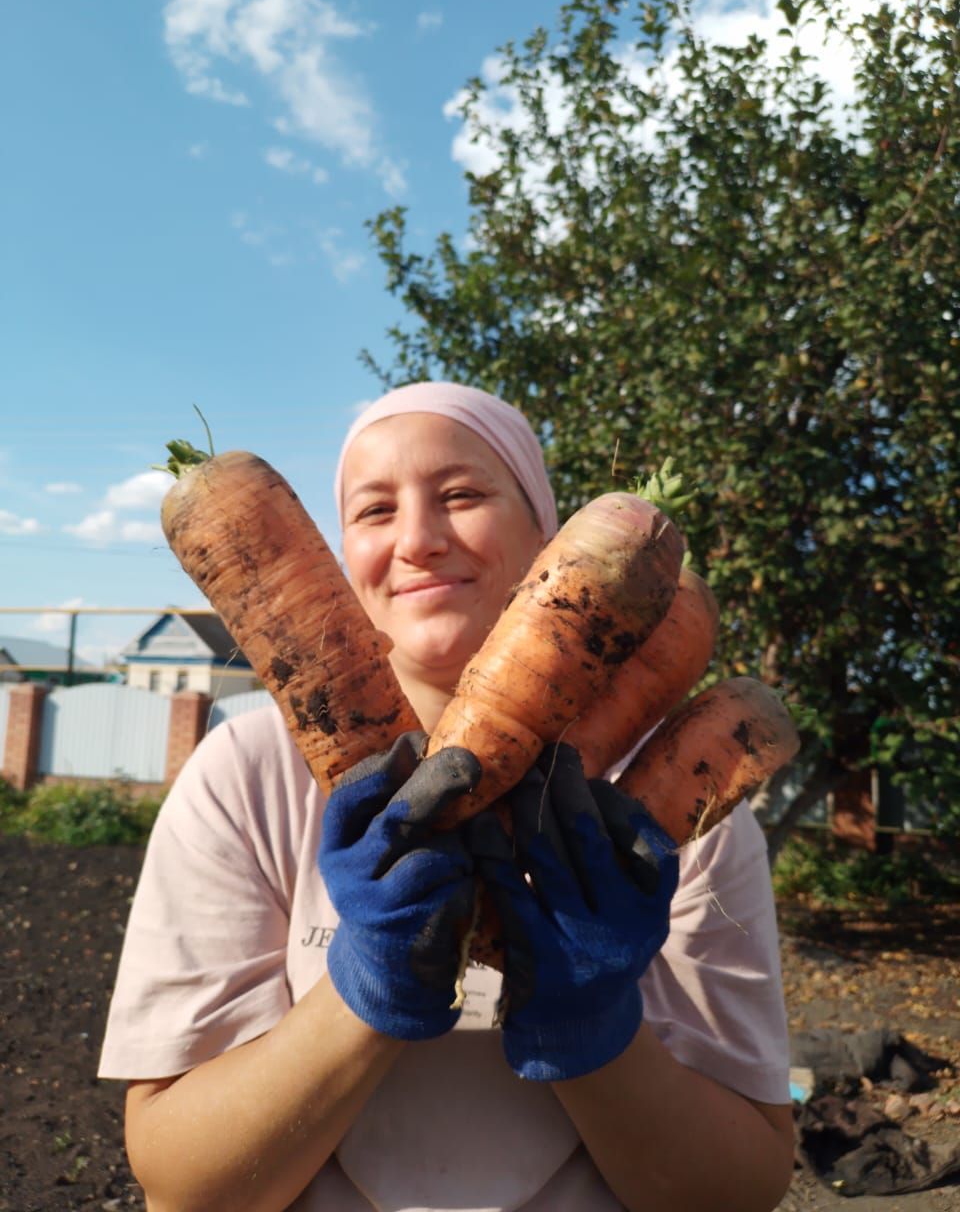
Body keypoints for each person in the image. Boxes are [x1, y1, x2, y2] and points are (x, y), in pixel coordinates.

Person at [99, 382, 795, 1212]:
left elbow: (741, 1188)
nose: (419, 541)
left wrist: (593, 1026)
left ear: (549, 541)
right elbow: (181, 1186)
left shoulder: (681, 800)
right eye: (374, 511)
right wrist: (367, 991)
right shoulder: (245, 775)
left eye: (462, 496)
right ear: (334, 560)